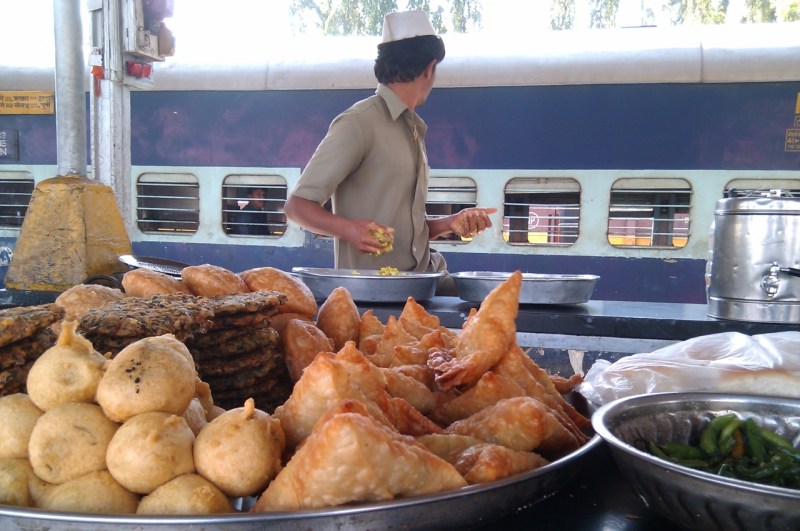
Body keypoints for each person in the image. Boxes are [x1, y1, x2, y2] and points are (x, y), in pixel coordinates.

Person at [283, 10, 495, 293]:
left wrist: (450, 223)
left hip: (423, 282)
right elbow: (297, 207)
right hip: (377, 292)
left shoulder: (412, 128)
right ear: (429, 68)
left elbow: (407, 230)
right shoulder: (359, 123)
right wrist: (349, 229)